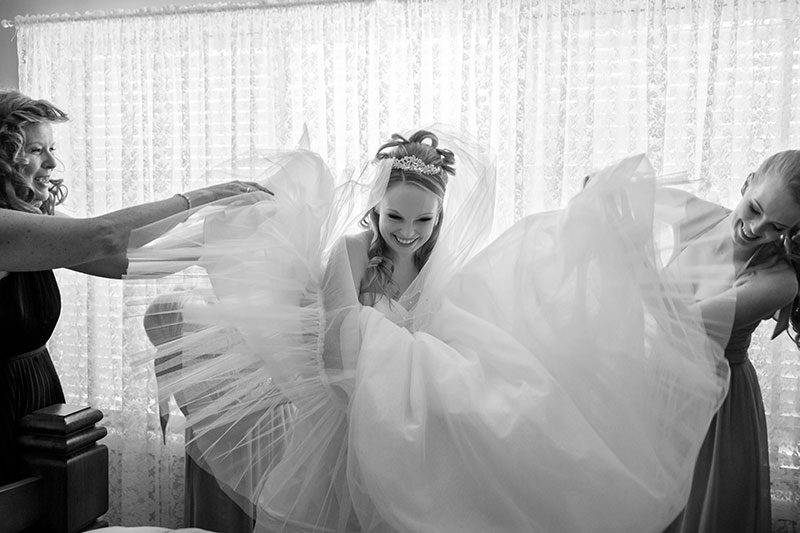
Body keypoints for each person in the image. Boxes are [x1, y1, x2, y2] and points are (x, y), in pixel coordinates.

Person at [127, 127, 732, 532]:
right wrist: (410, 362)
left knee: (515, 406)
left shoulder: (440, 256)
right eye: (395, 217)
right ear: (376, 205)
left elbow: (451, 321)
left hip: (405, 411)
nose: (407, 232)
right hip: (348, 405)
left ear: (441, 214)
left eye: (423, 219)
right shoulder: (352, 251)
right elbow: (340, 338)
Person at [0, 89, 270, 486]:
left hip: (36, 392)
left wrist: (215, 233)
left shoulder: (33, 224)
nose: (53, 163)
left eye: (51, 149)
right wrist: (200, 197)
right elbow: (104, 235)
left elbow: (127, 260)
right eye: (37, 150)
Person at [662, 151, 800, 532]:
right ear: (748, 181)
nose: (756, 229)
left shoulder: (778, 281)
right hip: (658, 386)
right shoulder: (701, 217)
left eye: (777, 227)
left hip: (715, 405)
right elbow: (607, 190)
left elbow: (681, 322)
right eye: (754, 208)